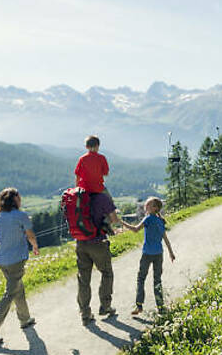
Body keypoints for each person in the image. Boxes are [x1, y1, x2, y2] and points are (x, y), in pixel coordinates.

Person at [73, 135, 120, 325]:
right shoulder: (101, 159)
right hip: (98, 241)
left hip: (81, 241)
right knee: (106, 273)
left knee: (83, 279)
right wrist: (114, 223)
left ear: (86, 146)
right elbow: (105, 174)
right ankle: (105, 306)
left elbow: (77, 177)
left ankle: (85, 314)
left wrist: (80, 191)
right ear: (98, 146)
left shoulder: (81, 159)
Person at [0, 188, 38, 344]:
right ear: (15, 200)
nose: (21, 200)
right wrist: (35, 246)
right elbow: (30, 234)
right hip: (16, 260)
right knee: (10, 294)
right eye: (19, 197)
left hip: (4, 261)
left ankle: (25, 319)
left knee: (18, 289)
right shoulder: (21, 215)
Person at [120, 197, 176, 315]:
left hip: (147, 254)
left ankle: (139, 305)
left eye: (148, 204)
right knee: (157, 280)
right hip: (159, 254)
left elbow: (135, 230)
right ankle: (161, 307)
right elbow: (165, 238)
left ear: (155, 208)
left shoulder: (148, 219)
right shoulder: (160, 221)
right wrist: (171, 252)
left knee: (141, 279)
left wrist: (121, 222)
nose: (145, 205)